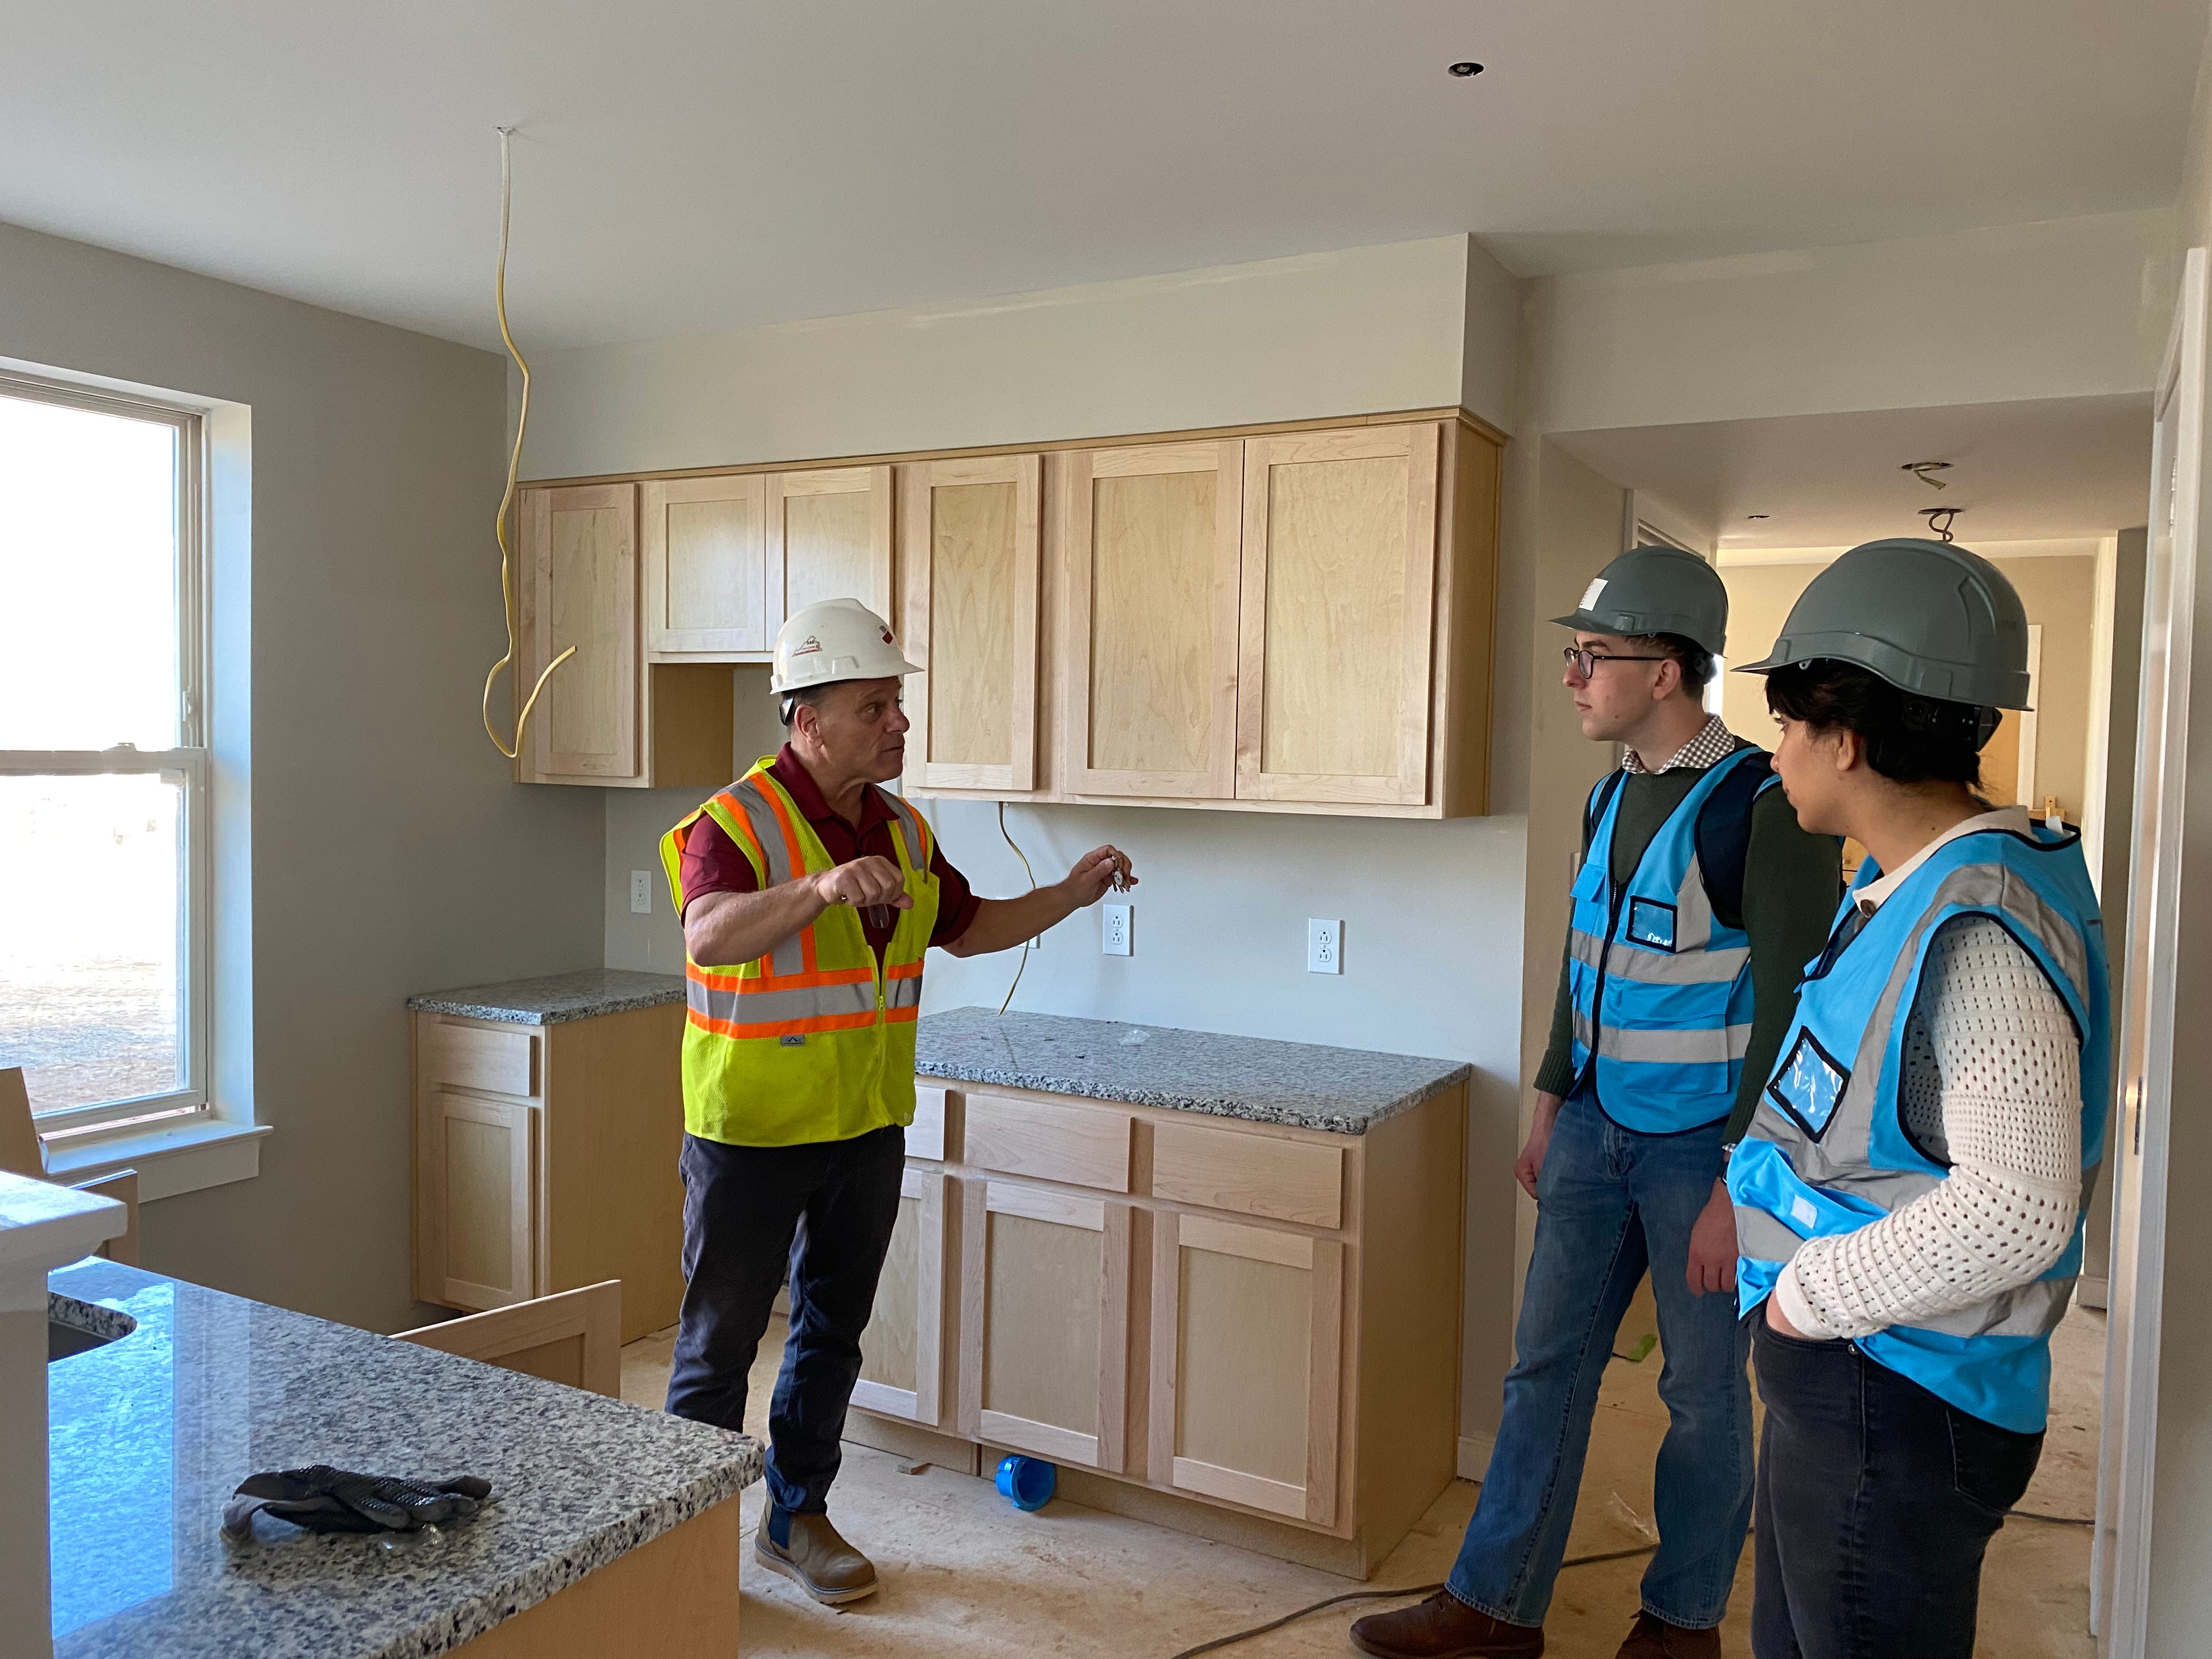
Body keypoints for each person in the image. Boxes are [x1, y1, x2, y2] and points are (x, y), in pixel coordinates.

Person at [1355, 547, 1842, 1659]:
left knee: (1704, 1396)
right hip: (1591, 1129)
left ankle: (1680, 1627)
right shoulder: (1608, 793)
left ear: (1665, 671)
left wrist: (1739, 1186)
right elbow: (1585, 966)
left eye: (1593, 656)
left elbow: (1795, 1011)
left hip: (1702, 1154)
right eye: (1573, 655)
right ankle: (1493, 1605)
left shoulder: (1766, 807)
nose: (1572, 677)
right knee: (1545, 1368)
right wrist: (1549, 1104)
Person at [658, 597, 1136, 1607]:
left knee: (831, 1334)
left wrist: (1070, 893)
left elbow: (969, 925)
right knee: (717, 1347)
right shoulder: (734, 822)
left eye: (896, 703)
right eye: (875, 706)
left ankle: (797, 1517)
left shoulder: (904, 830)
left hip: (866, 1127)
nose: (899, 723)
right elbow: (708, 934)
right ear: (808, 718)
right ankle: (676, 1556)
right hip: (750, 1133)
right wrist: (820, 890)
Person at [1726, 539, 2109, 1659]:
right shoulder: (1912, 884)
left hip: (1894, 1395)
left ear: (1845, 740)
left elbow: (2017, 1210)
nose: (1776, 756)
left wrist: (1804, 1299)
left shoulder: (1976, 921)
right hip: (1865, 1381)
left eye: (1787, 727)